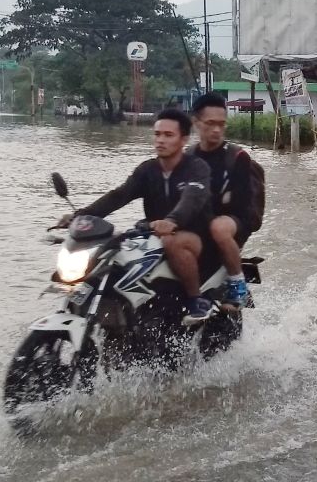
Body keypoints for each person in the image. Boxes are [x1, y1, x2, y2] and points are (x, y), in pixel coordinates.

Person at [60, 108, 217, 321]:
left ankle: (195, 299)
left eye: (168, 135)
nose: (160, 140)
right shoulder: (147, 170)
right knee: (114, 250)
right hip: (153, 233)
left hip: (193, 236)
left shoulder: (197, 168)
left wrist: (172, 220)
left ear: (183, 140)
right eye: (157, 134)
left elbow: (192, 198)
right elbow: (119, 196)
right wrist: (80, 216)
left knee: (172, 242)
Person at [184, 92, 260, 310]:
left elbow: (243, 204)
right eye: (210, 123)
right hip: (199, 223)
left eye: (221, 124)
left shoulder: (237, 157)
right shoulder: (188, 158)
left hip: (234, 221)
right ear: (196, 123)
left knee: (218, 228)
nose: (216, 129)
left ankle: (237, 284)